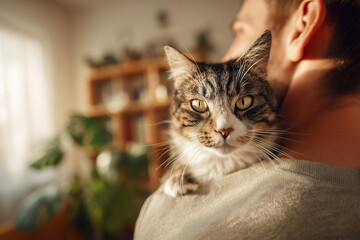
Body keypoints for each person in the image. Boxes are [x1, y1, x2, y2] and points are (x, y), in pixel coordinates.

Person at [134, 0, 360, 239]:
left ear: (303, 24)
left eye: (240, 31)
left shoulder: (166, 218)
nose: (225, 56)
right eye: (200, 105)